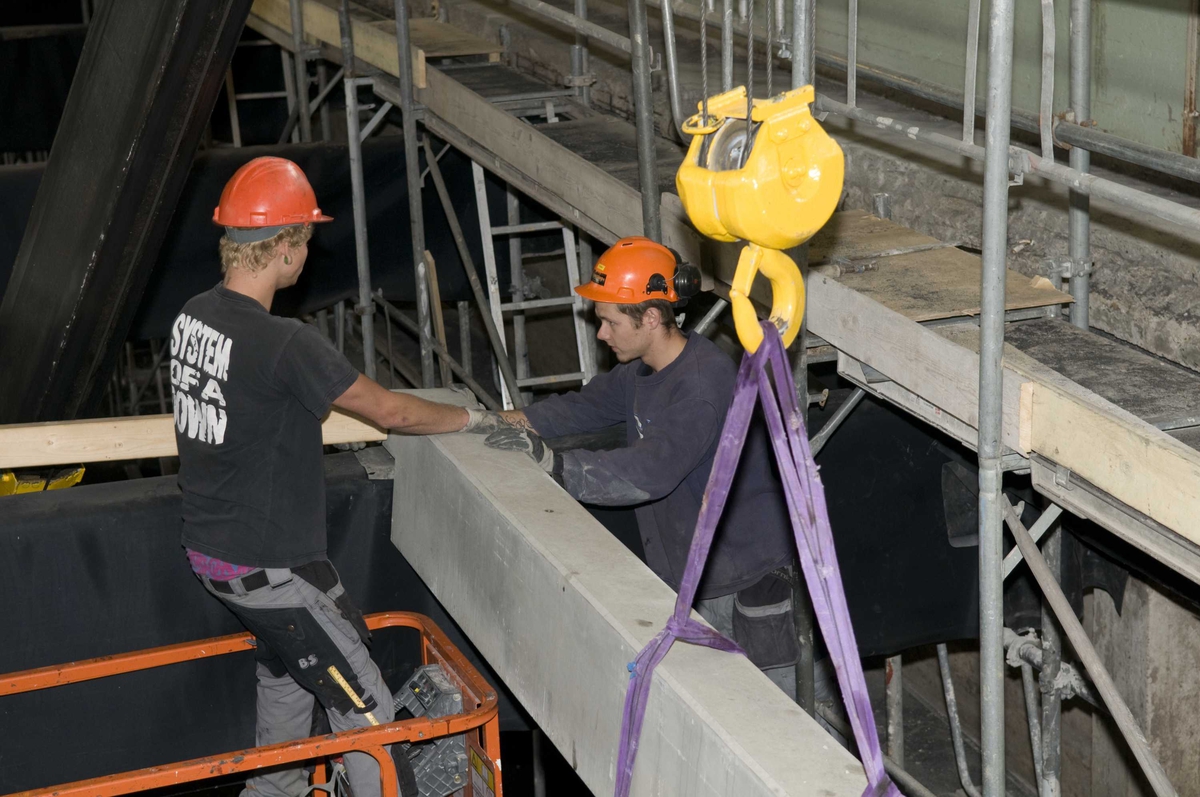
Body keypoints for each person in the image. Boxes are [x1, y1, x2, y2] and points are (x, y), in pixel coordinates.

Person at [170, 156, 469, 797]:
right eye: (304, 239)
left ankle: (270, 790)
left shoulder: (192, 316)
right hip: (270, 567)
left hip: (215, 558)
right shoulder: (286, 343)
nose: (307, 254)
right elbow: (388, 410)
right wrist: (468, 417)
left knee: (285, 686)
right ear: (284, 247)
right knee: (367, 715)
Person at [463, 236, 804, 698]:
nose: (601, 334)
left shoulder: (701, 387)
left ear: (649, 318)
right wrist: (487, 422)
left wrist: (552, 462)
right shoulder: (643, 370)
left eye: (608, 322)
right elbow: (579, 410)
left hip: (742, 576)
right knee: (704, 702)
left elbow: (648, 472)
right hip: (694, 571)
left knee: (763, 715)